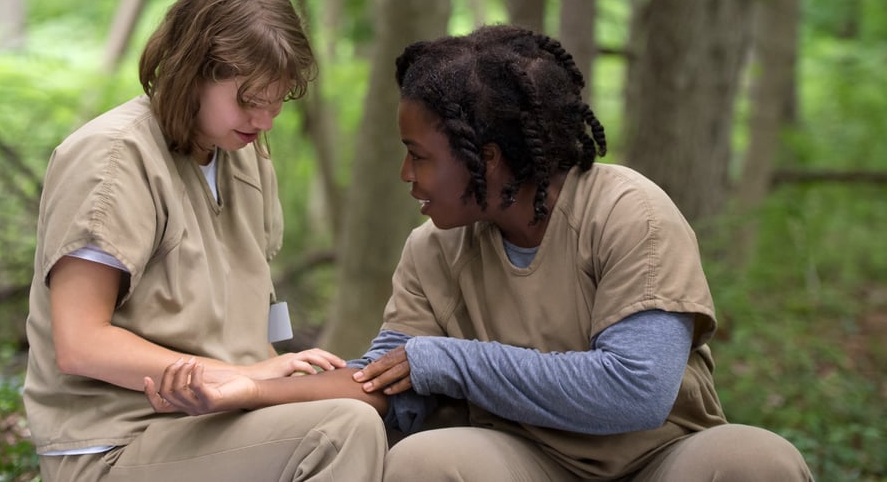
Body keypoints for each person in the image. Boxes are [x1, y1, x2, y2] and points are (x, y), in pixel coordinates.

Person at [146, 24, 814, 481]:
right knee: (423, 461)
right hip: (524, 459)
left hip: (661, 456)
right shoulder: (432, 250)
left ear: (486, 158)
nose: (408, 178)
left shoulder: (627, 211)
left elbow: (636, 390)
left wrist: (449, 360)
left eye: (419, 157)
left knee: (758, 459)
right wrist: (247, 389)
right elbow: (385, 383)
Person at [22, 0, 387, 482]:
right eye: (248, 100)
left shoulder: (245, 157)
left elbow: (254, 320)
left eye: (276, 103)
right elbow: (80, 342)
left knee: (388, 413)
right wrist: (243, 377)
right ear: (192, 72)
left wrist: (287, 368)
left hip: (220, 421)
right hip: (115, 442)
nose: (263, 120)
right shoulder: (112, 160)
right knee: (339, 429)